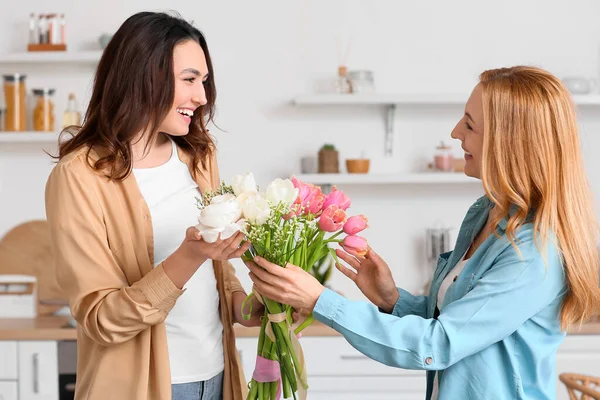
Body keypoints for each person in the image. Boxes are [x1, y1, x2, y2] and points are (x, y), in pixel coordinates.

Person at [245, 66, 600, 400]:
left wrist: (321, 301)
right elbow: (457, 321)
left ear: (510, 142)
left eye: (470, 125)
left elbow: (438, 345)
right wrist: (392, 300)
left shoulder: (534, 252)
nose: (455, 132)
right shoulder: (484, 214)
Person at [45, 11, 263, 400]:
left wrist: (256, 308)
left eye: (205, 82)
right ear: (144, 77)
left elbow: (218, 278)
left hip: (218, 378)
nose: (202, 97)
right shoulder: (80, 176)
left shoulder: (199, 155)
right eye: (190, 80)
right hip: (141, 389)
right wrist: (189, 255)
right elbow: (101, 318)